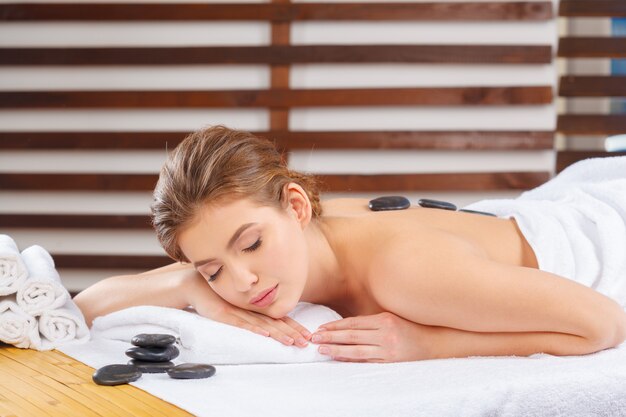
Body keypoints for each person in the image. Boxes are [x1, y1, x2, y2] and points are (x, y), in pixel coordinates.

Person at [73, 125, 626, 363]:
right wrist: (190, 285)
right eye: (214, 269)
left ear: (294, 206)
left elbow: (604, 324)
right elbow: (83, 307)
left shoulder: (406, 273)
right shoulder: (292, 238)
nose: (242, 282)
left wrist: (427, 346)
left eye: (251, 245)